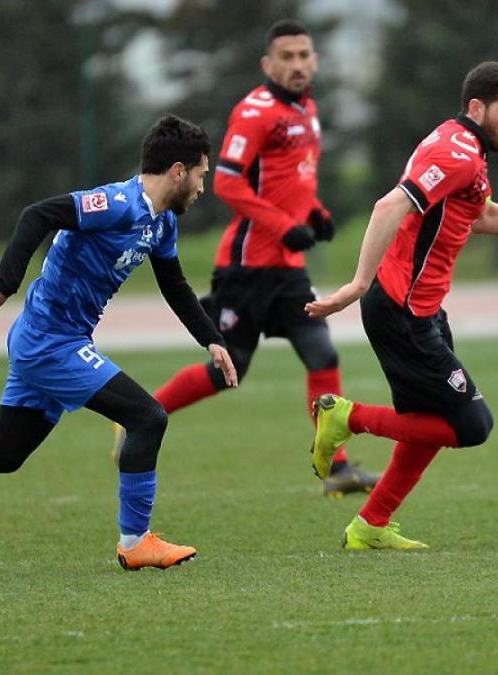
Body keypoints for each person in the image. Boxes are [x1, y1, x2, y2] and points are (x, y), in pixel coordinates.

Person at [0, 114, 238, 570]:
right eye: (201, 175)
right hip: (49, 341)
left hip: (53, 340)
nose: (203, 187)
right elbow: (39, 214)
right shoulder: (118, 203)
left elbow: (175, 285)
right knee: (147, 417)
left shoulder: (162, 223)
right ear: (177, 171)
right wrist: (6, 284)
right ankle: (135, 542)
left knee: (3, 452)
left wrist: (212, 339)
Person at [305, 62, 498, 550]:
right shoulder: (458, 154)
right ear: (477, 107)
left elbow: (480, 215)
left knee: (428, 424)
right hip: (402, 311)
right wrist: (357, 284)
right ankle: (344, 418)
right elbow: (389, 206)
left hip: (420, 310)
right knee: (471, 425)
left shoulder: (463, 145)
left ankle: (370, 525)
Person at [129, 19, 379, 497]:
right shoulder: (254, 111)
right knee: (230, 369)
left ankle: (337, 468)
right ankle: (138, 414)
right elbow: (227, 182)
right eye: (287, 56)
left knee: (322, 354)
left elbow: (292, 178)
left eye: (304, 55)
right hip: (246, 267)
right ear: (268, 64)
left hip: (288, 270)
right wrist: (284, 226)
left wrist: (315, 212)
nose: (297, 64)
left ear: (315, 61)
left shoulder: (308, 110)